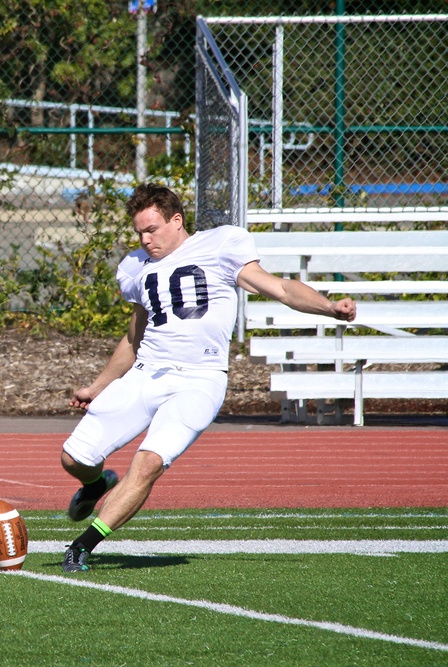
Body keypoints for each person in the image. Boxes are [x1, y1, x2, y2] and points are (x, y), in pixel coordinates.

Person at [60, 183, 356, 573]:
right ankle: (97, 485)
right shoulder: (135, 267)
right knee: (73, 458)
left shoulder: (221, 245)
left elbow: (281, 288)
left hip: (198, 380)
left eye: (152, 229)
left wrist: (329, 307)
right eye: (139, 232)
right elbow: (135, 335)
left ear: (176, 220)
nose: (145, 239)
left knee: (148, 462)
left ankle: (82, 546)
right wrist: (98, 386)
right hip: (148, 373)